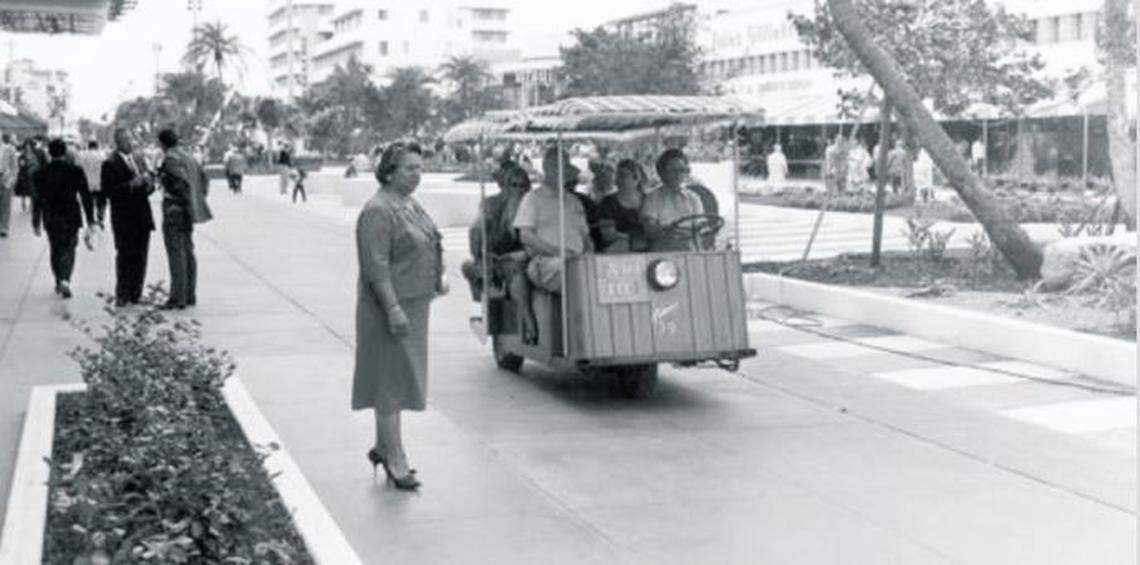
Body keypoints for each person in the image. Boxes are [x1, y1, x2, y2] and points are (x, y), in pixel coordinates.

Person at [353, 143, 444, 491]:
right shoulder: (378, 210)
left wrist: (436, 278)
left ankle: (382, 446)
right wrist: (392, 308)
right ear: (389, 171)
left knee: (395, 379)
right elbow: (375, 267)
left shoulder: (407, 203)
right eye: (409, 168)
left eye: (420, 167)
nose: (416, 174)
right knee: (390, 382)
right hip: (389, 306)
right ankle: (395, 457)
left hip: (414, 303)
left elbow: (427, 241)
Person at [510, 148, 593, 344]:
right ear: (548, 168)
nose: (562, 171)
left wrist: (590, 254)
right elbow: (526, 235)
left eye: (565, 167)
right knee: (572, 273)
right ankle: (577, 337)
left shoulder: (573, 202)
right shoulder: (533, 199)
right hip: (545, 262)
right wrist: (558, 252)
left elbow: (586, 237)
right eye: (558, 167)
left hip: (578, 259)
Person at [32, 138, 95, 298]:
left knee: (55, 247)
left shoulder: (40, 173)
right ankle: (65, 279)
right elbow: (86, 195)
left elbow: (37, 199)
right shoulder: (75, 170)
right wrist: (90, 219)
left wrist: (36, 221)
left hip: (51, 215)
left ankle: (58, 278)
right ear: (65, 152)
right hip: (71, 214)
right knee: (70, 246)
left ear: (49, 153)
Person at [156, 128, 211, 310]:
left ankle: (177, 297)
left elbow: (180, 183)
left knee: (176, 253)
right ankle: (189, 295)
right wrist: (197, 199)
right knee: (188, 251)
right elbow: (204, 179)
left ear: (162, 144)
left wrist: (178, 199)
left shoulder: (171, 159)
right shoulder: (189, 157)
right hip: (188, 210)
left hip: (175, 209)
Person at [460, 160, 530, 303]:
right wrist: (480, 255)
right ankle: (490, 309)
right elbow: (475, 230)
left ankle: (526, 322)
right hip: (498, 257)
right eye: (513, 184)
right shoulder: (491, 204)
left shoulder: (533, 204)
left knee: (514, 271)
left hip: (525, 256)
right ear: (505, 185)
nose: (518, 189)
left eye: (522, 185)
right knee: (470, 267)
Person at [101, 128, 156, 306]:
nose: (130, 143)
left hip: (142, 215)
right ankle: (123, 294)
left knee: (141, 256)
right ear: (117, 142)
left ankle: (136, 293)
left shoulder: (139, 160)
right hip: (124, 218)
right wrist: (131, 185)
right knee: (125, 255)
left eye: (131, 139)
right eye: (125, 140)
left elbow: (147, 188)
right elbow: (109, 191)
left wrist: (148, 184)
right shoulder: (110, 163)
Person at [641, 148, 704, 252]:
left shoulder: (694, 198)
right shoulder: (652, 198)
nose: (679, 174)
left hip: (690, 250)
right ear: (662, 172)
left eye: (682, 170)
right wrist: (669, 230)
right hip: (662, 253)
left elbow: (700, 228)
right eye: (674, 170)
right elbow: (649, 230)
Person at [596, 158, 647, 253]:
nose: (618, 180)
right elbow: (607, 234)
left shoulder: (649, 200)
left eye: (623, 176)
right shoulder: (608, 202)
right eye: (617, 175)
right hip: (618, 248)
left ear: (637, 179)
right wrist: (632, 239)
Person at [77, 141, 106, 228]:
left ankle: (90, 221)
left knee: (87, 203)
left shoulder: (82, 156)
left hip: (86, 184)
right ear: (97, 147)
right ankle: (100, 217)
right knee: (101, 202)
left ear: (88, 147)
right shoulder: (102, 155)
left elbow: (78, 168)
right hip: (100, 183)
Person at [0, 134, 18, 237]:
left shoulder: (9, 149)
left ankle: (4, 228)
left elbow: (15, 166)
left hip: (5, 178)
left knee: (6, 204)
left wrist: (12, 180)